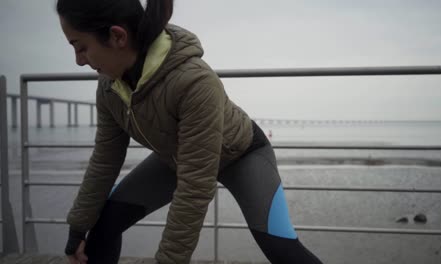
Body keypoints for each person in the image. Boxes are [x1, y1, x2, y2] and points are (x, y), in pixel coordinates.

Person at [57, 0, 324, 263]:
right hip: (177, 156)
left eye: (81, 47)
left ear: (117, 36)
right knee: (102, 225)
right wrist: (78, 226)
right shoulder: (110, 87)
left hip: (241, 154)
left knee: (280, 247)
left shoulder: (194, 81)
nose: (79, 61)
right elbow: (105, 159)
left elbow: (195, 185)